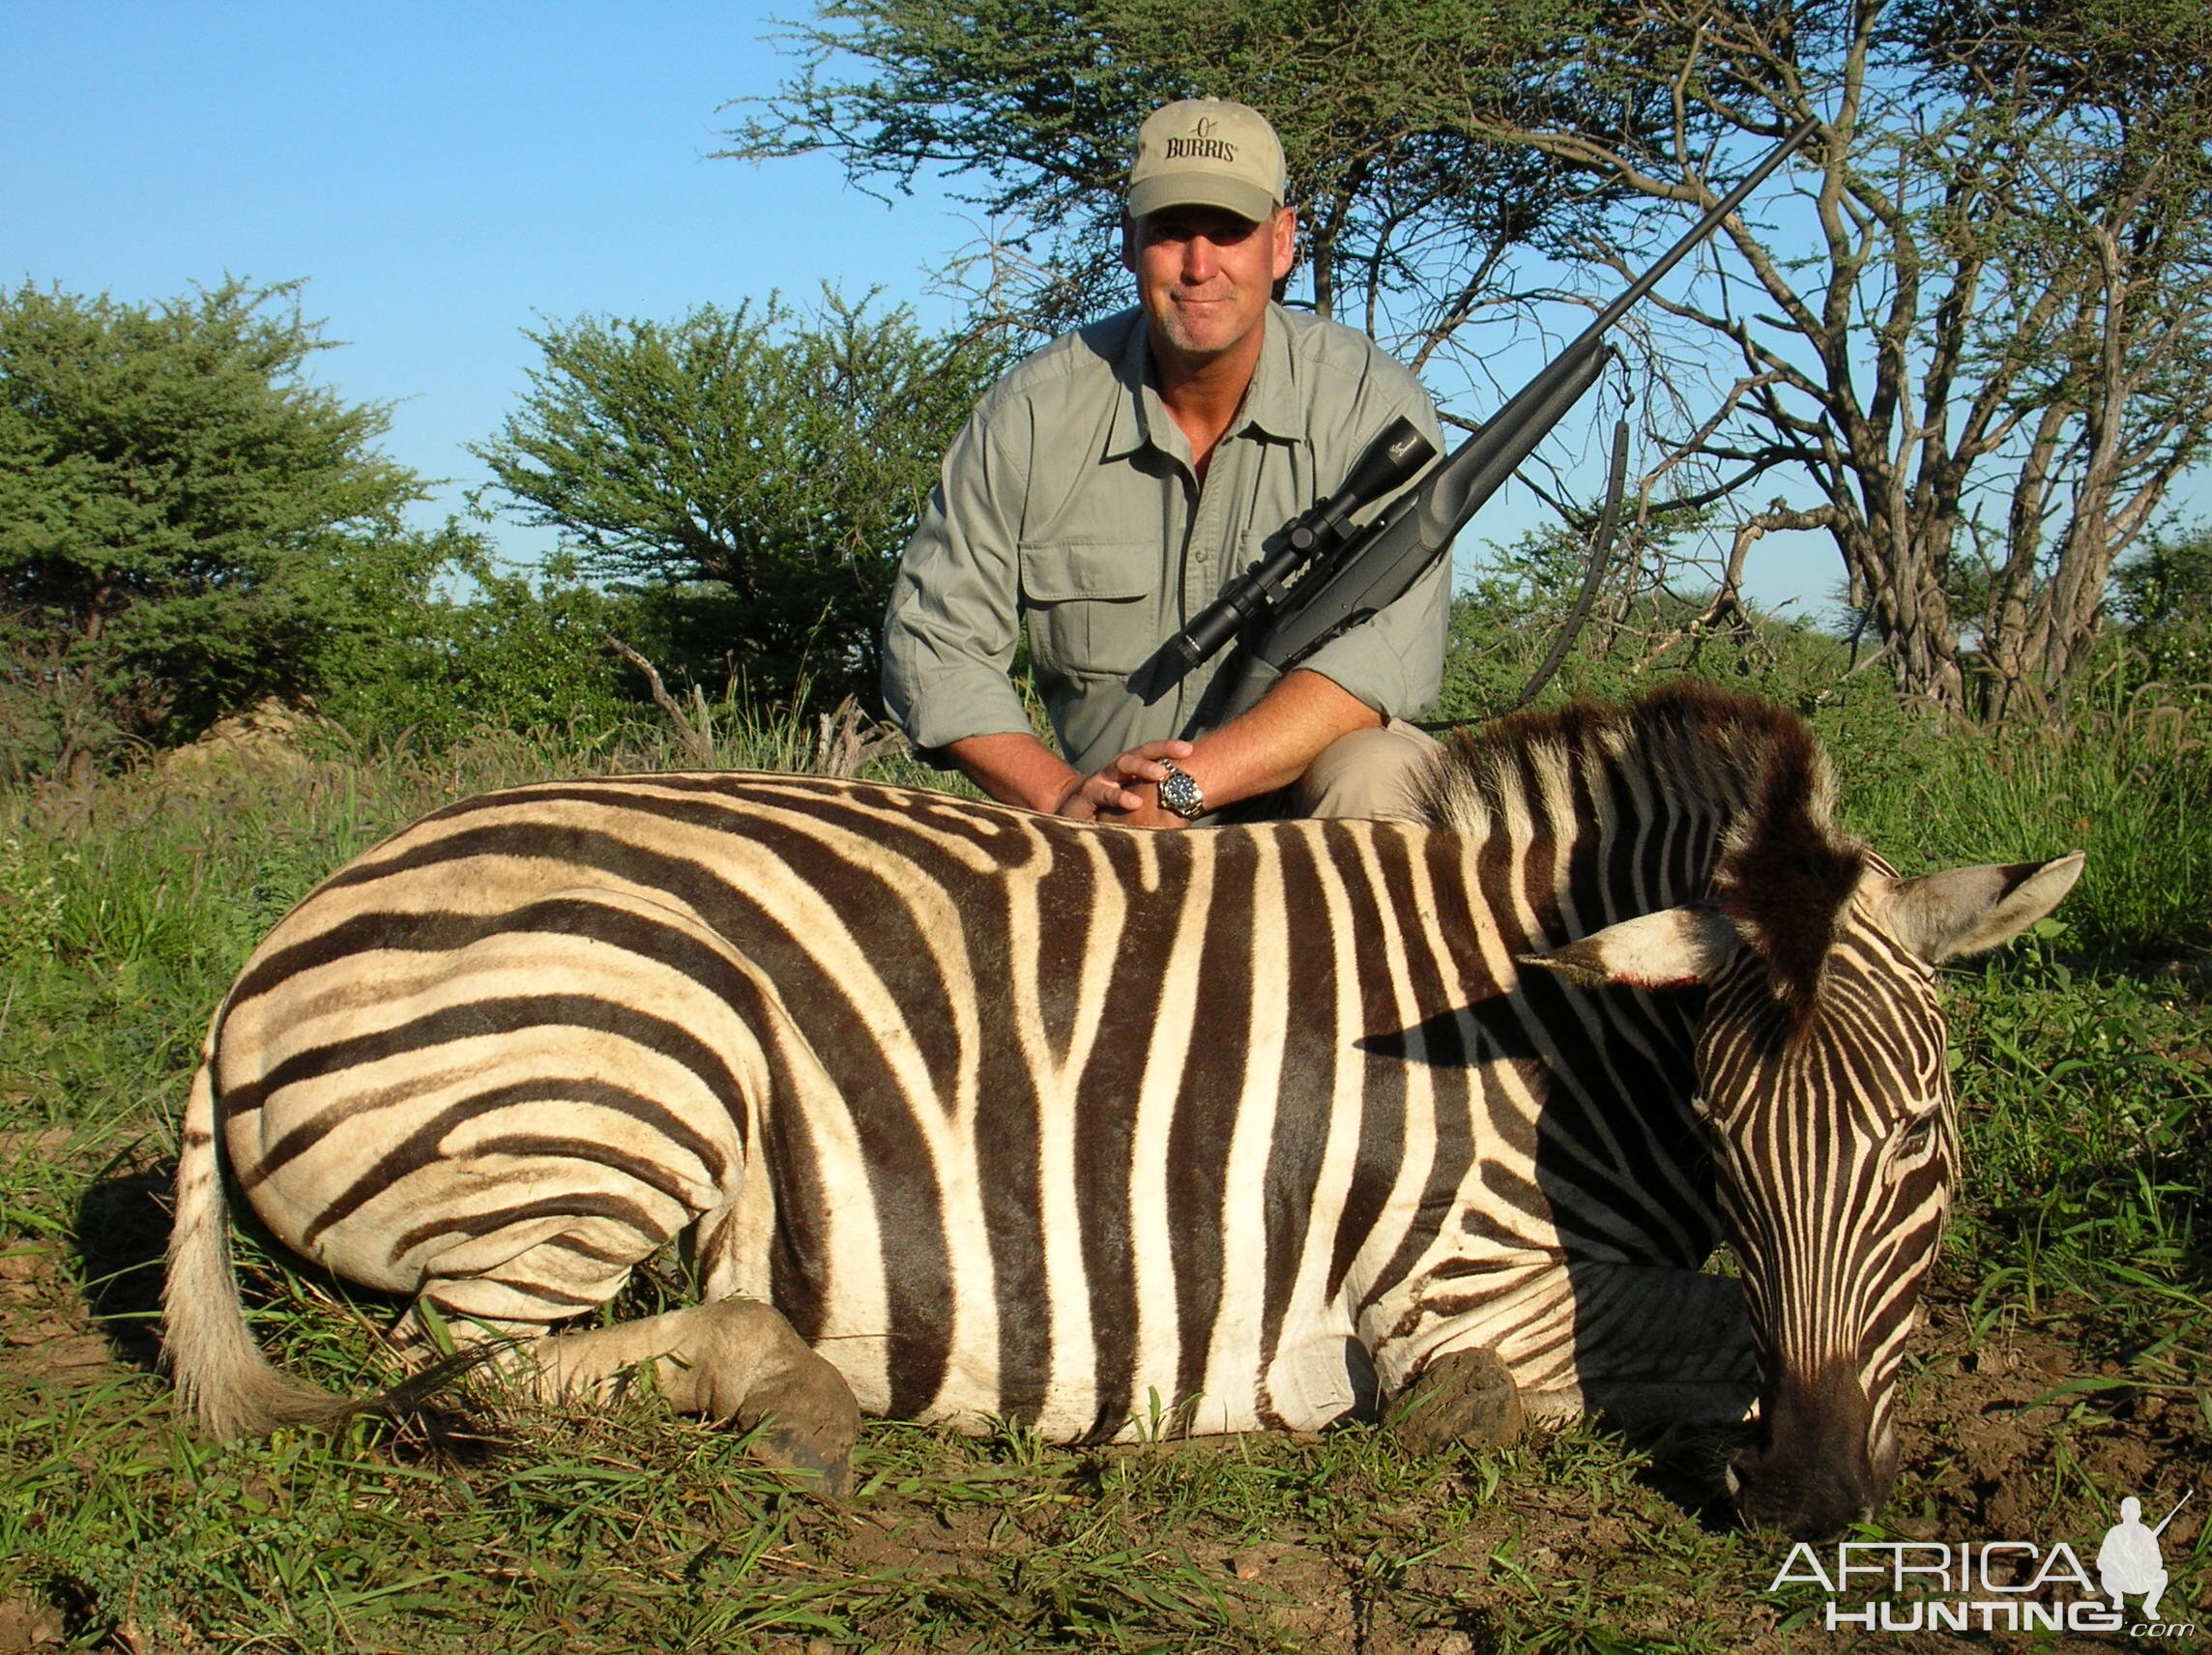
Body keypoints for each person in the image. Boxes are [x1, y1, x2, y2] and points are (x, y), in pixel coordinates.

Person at [882, 98, 1451, 828]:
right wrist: (1064, 797)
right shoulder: (1030, 414)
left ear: (1281, 243)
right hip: (1107, 822)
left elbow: (1381, 657)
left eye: (1229, 231)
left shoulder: (1373, 407)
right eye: (1171, 232)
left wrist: (1185, 789)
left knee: (1383, 775)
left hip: (1305, 810)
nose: (1198, 265)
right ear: (1129, 241)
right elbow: (934, 640)